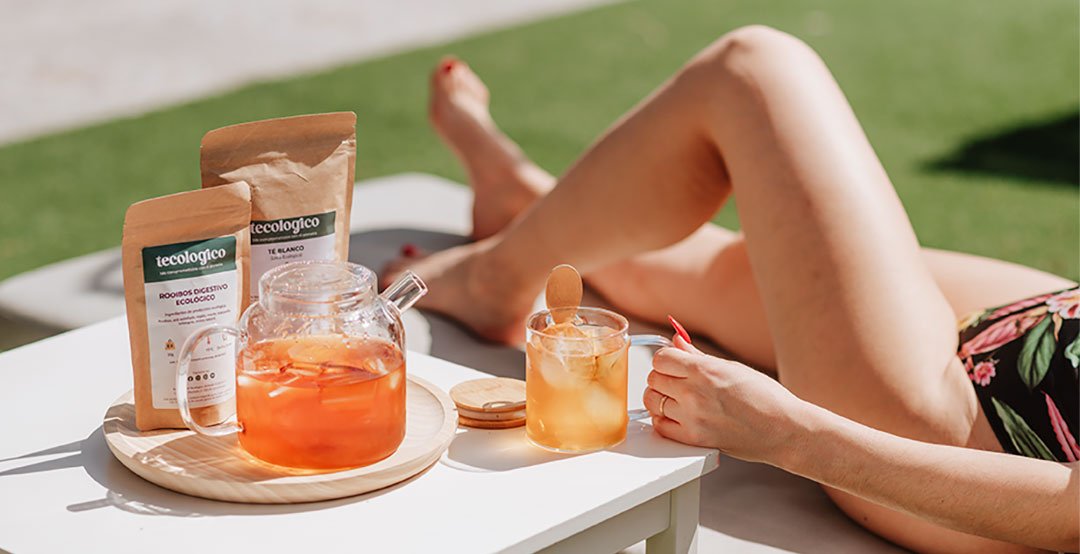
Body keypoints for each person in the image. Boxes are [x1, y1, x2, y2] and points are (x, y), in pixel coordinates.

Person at [384, 25, 1079, 552]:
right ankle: (523, 197)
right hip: (1055, 333)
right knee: (719, 270)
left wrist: (793, 437)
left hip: (973, 442)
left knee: (754, 69)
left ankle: (496, 278)